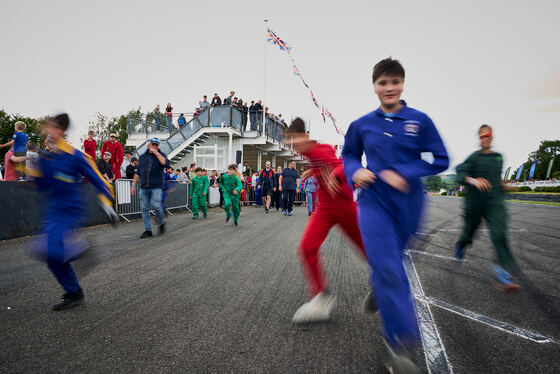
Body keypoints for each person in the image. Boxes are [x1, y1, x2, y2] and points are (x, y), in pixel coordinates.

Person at [342, 58, 449, 372]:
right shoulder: (362, 124)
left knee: (390, 263)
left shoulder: (420, 120)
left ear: (403, 84)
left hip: (409, 203)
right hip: (373, 201)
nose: (389, 88)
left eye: (394, 82)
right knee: (389, 266)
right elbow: (348, 154)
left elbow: (440, 158)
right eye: (382, 83)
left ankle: (379, 287)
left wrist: (406, 171)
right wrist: (355, 170)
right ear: (374, 87)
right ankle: (397, 344)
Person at [285, 118, 369, 323]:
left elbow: (344, 164)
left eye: (294, 140)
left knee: (366, 249)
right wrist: (313, 171)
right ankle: (322, 297)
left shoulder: (319, 151)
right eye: (289, 141)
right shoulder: (311, 152)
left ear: (305, 135)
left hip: (342, 205)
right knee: (306, 248)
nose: (292, 145)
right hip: (324, 207)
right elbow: (323, 162)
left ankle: (388, 279)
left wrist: (337, 176)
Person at [30, 112, 115, 311]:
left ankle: (81, 250)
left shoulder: (76, 155)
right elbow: (41, 185)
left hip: (70, 210)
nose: (47, 131)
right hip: (52, 210)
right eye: (47, 127)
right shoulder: (47, 158)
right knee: (49, 255)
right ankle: (74, 292)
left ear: (61, 131)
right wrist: (35, 171)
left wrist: (107, 204)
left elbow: (99, 179)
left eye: (51, 127)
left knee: (50, 250)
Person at [454, 124, 520, 292]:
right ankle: (462, 242)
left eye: (488, 135)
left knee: (499, 233)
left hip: (494, 203)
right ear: (479, 138)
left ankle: (501, 273)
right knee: (469, 231)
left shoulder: (499, 158)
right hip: (475, 204)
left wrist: (505, 185)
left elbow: (497, 178)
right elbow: (460, 174)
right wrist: (474, 180)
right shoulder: (474, 158)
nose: (486, 138)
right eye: (483, 136)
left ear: (492, 137)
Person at [131, 137, 170, 238]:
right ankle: (148, 230)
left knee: (156, 205)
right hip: (144, 187)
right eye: (153, 144)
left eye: (157, 145)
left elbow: (165, 163)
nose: (155, 146)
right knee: (144, 208)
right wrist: (133, 185)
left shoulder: (161, 155)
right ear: (149, 145)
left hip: (156, 186)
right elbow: (138, 172)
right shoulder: (143, 157)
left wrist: (156, 153)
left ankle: (161, 222)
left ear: (158, 146)